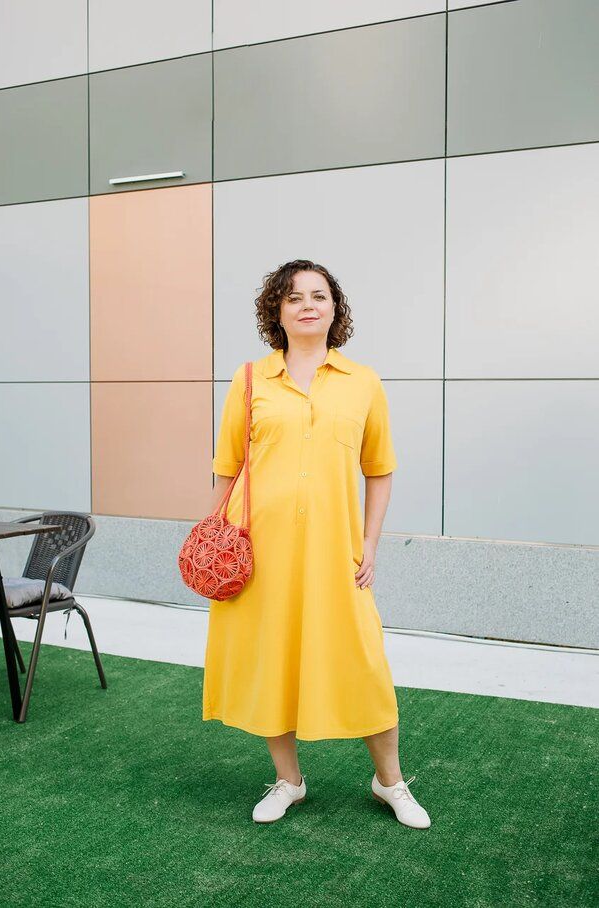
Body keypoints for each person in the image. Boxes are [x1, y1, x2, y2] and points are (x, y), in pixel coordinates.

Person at [202, 259, 430, 829]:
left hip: (336, 554)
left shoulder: (363, 382)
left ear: (335, 309)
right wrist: (218, 542)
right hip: (261, 555)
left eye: (319, 295)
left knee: (365, 663)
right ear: (276, 312)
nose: (307, 305)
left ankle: (390, 781)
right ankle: (289, 781)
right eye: (294, 297)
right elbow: (227, 468)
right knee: (272, 663)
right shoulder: (249, 379)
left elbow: (380, 469)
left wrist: (370, 545)